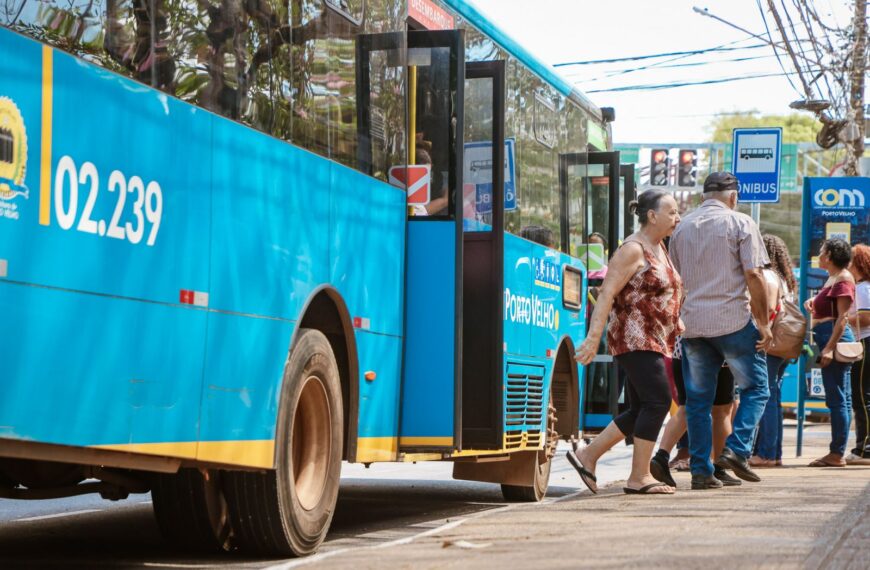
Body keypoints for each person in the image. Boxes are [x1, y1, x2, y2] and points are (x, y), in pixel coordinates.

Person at [568, 189, 682, 495]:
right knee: (658, 400)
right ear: (652, 216)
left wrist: (676, 319)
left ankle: (588, 455)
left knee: (639, 407)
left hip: (655, 338)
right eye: (671, 212)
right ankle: (639, 476)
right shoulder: (632, 249)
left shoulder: (659, 248)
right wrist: (593, 339)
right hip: (634, 337)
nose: (677, 217)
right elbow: (606, 294)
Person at [669, 172, 772, 490]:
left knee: (698, 402)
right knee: (757, 389)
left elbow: (676, 280)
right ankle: (737, 451)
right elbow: (754, 275)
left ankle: (701, 472)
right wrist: (765, 323)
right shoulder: (741, 223)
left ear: (704, 196)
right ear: (733, 196)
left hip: (694, 327)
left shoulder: (682, 227)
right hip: (733, 323)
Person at [650, 341, 741, 487]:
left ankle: (661, 457)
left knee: (686, 408)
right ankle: (717, 468)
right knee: (722, 411)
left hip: (682, 351)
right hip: (718, 352)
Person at [805, 238, 857, 467]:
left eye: (822, 251)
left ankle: (836, 453)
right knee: (840, 398)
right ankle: (837, 451)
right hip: (828, 337)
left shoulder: (843, 278)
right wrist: (813, 302)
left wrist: (828, 348)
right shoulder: (834, 278)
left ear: (830, 255)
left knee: (837, 399)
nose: (819, 254)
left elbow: (843, 318)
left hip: (833, 340)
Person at [750, 234, 798, 468]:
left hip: (770, 344)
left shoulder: (769, 277)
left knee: (766, 397)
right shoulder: (787, 280)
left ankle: (766, 453)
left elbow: (767, 310)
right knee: (774, 397)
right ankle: (774, 452)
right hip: (784, 345)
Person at [846, 243, 870, 465]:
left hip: (865, 341)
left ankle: (865, 449)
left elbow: (866, 317)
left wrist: (844, 318)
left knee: (862, 396)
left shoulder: (863, 289)